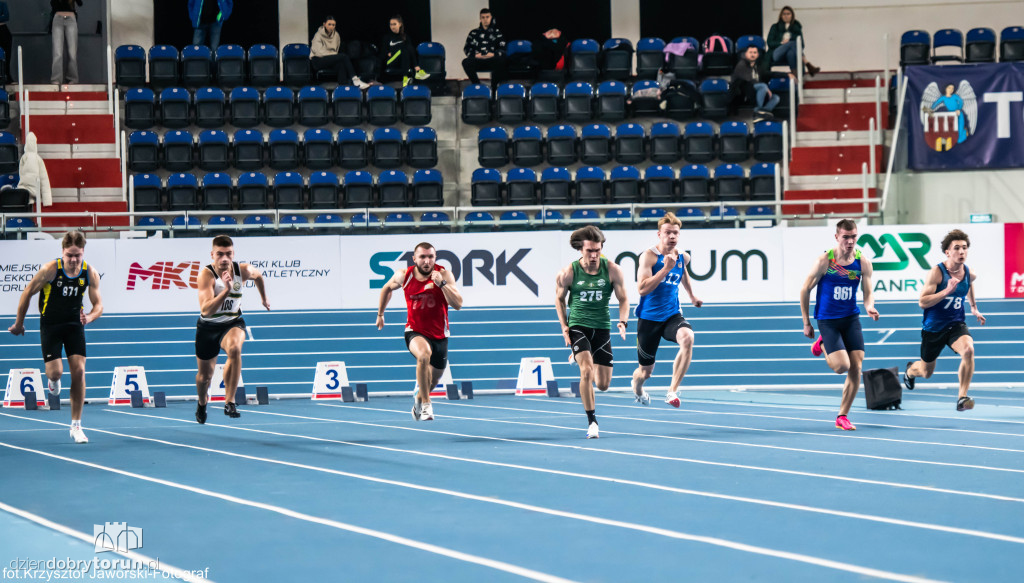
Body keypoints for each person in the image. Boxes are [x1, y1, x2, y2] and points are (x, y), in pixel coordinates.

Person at [8, 231, 103, 444]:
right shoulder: (50, 270)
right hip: (51, 325)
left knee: (79, 371)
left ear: (83, 253)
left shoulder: (90, 272)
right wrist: (19, 323)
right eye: (69, 255)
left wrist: (89, 317)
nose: (73, 260)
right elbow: (27, 293)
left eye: (77, 255)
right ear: (62, 252)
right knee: (56, 372)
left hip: (74, 325)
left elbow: (99, 305)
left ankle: (76, 426)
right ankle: (53, 380)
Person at [799, 219, 879, 431]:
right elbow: (805, 290)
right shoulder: (825, 261)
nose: (850, 241)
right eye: (846, 237)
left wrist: (870, 306)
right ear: (837, 237)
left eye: (853, 237)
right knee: (841, 366)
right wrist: (807, 322)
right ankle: (822, 344)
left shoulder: (863, 263)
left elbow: (867, 292)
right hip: (828, 320)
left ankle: (842, 416)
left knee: (857, 366)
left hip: (851, 318)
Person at [555, 226, 630, 439]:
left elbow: (624, 299)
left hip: (602, 328)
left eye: (598, 250)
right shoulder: (568, 273)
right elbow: (559, 300)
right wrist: (564, 326)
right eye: (590, 251)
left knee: (604, 385)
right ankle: (592, 422)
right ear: (581, 249)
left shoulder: (613, 270)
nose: (594, 255)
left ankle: (580, 353)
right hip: (578, 326)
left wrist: (623, 321)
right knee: (586, 371)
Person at [376, 242, 463, 422]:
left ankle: (419, 397)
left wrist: (442, 284)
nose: (426, 261)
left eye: (430, 257)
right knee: (423, 356)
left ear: (435, 258)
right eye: (422, 257)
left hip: (440, 335)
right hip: (415, 331)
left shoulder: (444, 274)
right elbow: (386, 288)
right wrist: (380, 314)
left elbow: (458, 304)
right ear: (414, 259)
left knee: (433, 381)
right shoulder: (404, 275)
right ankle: (426, 406)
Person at [903, 229, 985, 411]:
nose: (961, 252)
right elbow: (922, 302)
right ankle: (910, 371)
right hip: (933, 329)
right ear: (947, 252)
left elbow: (969, 284)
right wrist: (946, 291)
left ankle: (962, 397)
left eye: (964, 248)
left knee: (969, 350)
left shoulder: (968, 272)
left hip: (955, 325)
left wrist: (973, 307)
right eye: (957, 248)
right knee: (926, 372)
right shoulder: (937, 273)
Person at [630, 213, 703, 409]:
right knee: (645, 372)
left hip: (672, 315)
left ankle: (672, 391)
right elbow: (642, 288)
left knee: (688, 337)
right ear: (659, 234)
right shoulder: (649, 256)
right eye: (668, 233)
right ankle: (637, 389)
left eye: (675, 233)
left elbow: (683, 273)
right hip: (648, 319)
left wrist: (692, 296)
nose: (672, 237)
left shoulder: (682, 256)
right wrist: (664, 269)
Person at [194, 235, 269, 424]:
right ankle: (202, 403)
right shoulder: (206, 275)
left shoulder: (242, 270)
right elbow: (206, 310)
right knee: (204, 377)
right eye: (220, 254)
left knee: (235, 349)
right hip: (209, 327)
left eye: (228, 254)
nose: (224, 259)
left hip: (232, 323)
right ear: (212, 255)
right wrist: (226, 290)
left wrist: (263, 298)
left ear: (233, 254)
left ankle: (230, 401)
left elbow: (258, 276)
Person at [310, 15, 370, 89]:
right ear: (324, 24)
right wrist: (334, 55)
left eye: (333, 25)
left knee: (341, 64)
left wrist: (334, 56)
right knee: (343, 56)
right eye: (329, 24)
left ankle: (343, 88)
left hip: (330, 60)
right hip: (318, 60)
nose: (331, 27)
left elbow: (336, 50)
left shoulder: (336, 35)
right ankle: (355, 79)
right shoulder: (318, 35)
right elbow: (319, 52)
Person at [767, 5, 819, 77]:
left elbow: (802, 45)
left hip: (790, 54)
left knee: (791, 53)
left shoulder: (796, 28)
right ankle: (807, 63)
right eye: (784, 14)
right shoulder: (775, 27)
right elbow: (770, 43)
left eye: (788, 14)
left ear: (792, 15)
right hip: (777, 53)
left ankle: (795, 76)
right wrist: (781, 43)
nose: (786, 16)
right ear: (781, 15)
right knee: (793, 43)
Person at [731, 45, 779, 122]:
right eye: (750, 52)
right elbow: (750, 79)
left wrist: (787, 74)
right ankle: (758, 112)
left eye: (754, 52)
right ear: (745, 54)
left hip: (756, 93)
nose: (752, 54)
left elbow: (770, 74)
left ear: (758, 54)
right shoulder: (741, 64)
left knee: (775, 98)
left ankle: (761, 112)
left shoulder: (757, 67)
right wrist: (766, 88)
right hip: (742, 94)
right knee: (763, 86)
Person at [461, 8, 506, 87]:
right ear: (480, 19)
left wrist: (493, 54)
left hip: (491, 60)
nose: (485, 19)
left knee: (502, 60)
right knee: (465, 62)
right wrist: (475, 55)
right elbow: (467, 48)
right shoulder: (473, 33)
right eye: (483, 17)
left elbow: (502, 48)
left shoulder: (497, 32)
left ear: (491, 17)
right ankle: (477, 85)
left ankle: (494, 86)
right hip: (478, 60)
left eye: (487, 17)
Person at [379, 14, 428, 87]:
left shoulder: (405, 37)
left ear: (400, 24)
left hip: (403, 61)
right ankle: (417, 69)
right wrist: (388, 53)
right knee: (405, 48)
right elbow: (383, 52)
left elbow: (410, 51)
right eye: (391, 24)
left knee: (407, 50)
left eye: (394, 24)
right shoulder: (387, 37)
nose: (392, 27)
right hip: (391, 61)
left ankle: (405, 77)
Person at [17, 132, 53, 209]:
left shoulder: (24, 157)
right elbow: (44, 180)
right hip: (36, 190)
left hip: (25, 190)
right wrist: (47, 201)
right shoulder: (38, 158)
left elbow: (21, 174)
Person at [50, 0, 82, 85]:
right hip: (58, 18)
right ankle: (56, 79)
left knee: (72, 52)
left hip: (71, 18)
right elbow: (53, 3)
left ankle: (72, 78)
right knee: (57, 53)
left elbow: (80, 3)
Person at [0, 1, 11, 83]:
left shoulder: (2, 4)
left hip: (3, 31)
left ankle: (7, 75)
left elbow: (6, 16)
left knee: (6, 54)